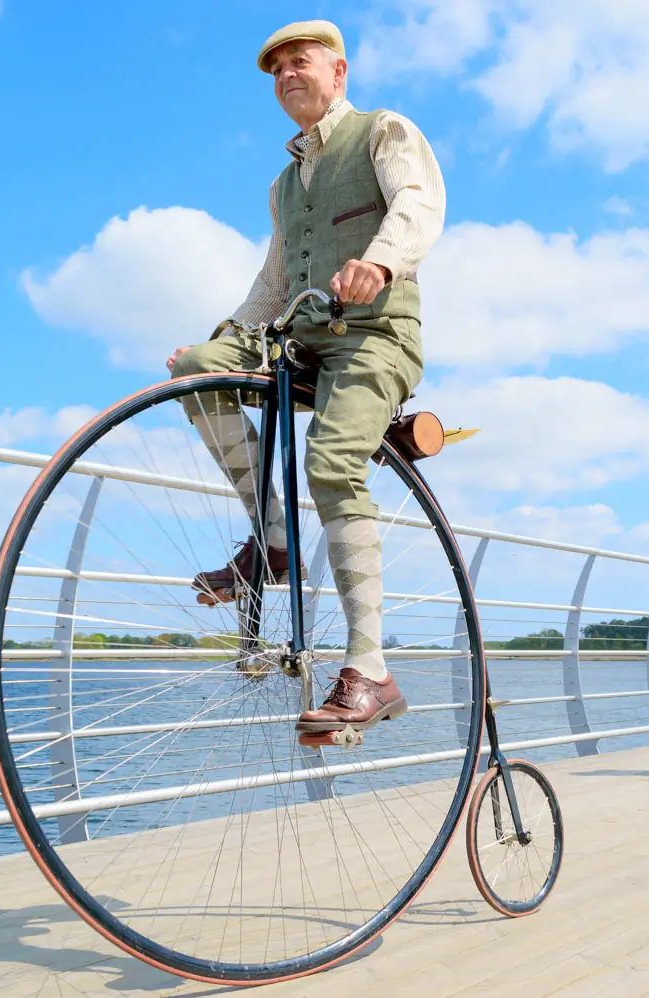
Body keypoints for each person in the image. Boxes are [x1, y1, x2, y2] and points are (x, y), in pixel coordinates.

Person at [165, 20, 445, 734]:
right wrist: (223, 342)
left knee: (331, 462)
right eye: (278, 69)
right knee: (199, 371)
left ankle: (371, 669)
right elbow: (273, 281)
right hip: (302, 343)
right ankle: (274, 541)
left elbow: (418, 205)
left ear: (339, 72)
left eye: (302, 62)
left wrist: (378, 262)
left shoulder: (383, 131)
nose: (289, 74)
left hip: (373, 337)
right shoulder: (284, 185)